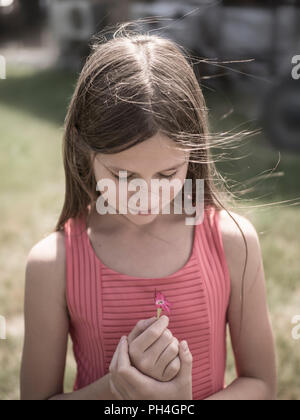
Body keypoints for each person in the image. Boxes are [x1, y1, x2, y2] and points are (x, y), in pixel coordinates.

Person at [20, 24, 277, 400]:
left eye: (167, 173)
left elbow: (262, 384)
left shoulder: (233, 243)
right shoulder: (53, 264)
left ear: (193, 150)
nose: (145, 195)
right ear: (81, 147)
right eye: (123, 176)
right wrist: (114, 390)